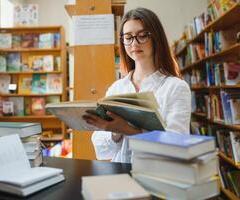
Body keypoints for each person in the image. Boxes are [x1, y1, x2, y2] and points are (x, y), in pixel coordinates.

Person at [82, 7, 191, 163]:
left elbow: (177, 145)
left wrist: (129, 130)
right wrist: (114, 131)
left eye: (142, 35)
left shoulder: (175, 87)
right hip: (119, 175)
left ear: (156, 38)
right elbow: (100, 148)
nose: (134, 43)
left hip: (157, 176)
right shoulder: (117, 87)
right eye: (128, 37)